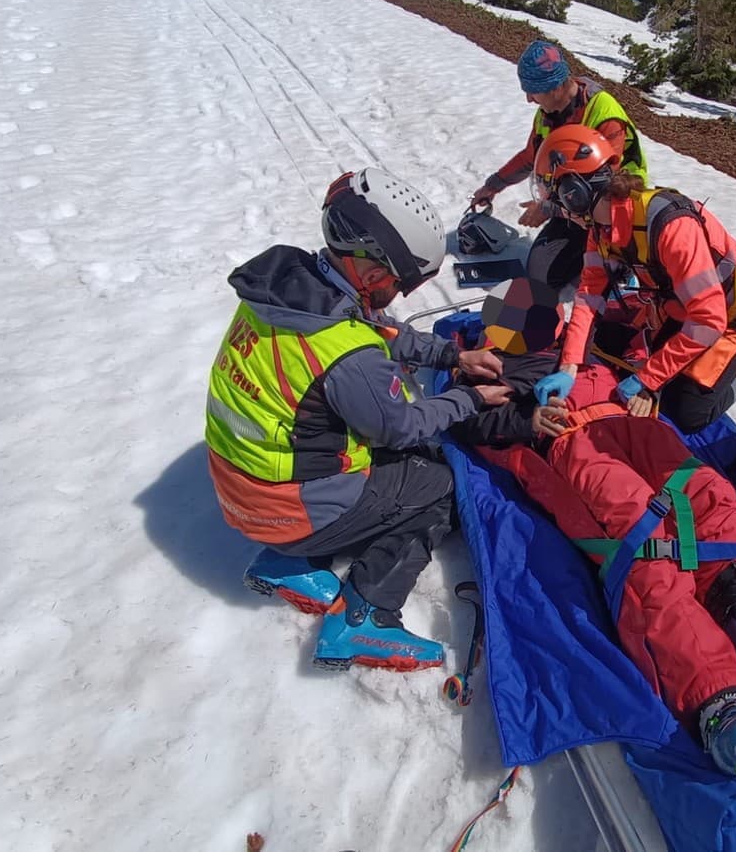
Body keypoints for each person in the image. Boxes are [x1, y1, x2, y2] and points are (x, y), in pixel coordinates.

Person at [447, 282, 736, 777]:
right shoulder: (495, 369)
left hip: (634, 425)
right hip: (571, 442)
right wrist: (526, 420)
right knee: (642, 537)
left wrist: (639, 378)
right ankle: (717, 698)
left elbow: (637, 319)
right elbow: (469, 424)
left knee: (711, 502)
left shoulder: (586, 345)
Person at [204, 168, 511, 671]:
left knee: (388, 456)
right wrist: (470, 399)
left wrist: (452, 359)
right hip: (287, 510)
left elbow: (377, 331)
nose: (402, 296)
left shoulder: (294, 291)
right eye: (401, 283)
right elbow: (402, 426)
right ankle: (364, 617)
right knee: (434, 483)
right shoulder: (348, 355)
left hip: (244, 489)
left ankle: (290, 563)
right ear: (372, 273)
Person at [530, 125, 736, 434]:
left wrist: (648, 379)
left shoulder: (671, 226)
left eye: (557, 194)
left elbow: (709, 320)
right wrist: (569, 366)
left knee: (688, 412)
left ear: (575, 192)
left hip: (733, 312)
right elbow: (589, 295)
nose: (556, 205)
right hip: (682, 306)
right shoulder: (601, 230)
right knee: (614, 344)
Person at [470, 39, 649, 290]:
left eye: (532, 91)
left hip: (614, 206)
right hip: (571, 202)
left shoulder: (604, 113)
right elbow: (532, 156)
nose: (529, 99)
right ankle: (590, 255)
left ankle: (620, 260)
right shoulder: (548, 113)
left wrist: (548, 208)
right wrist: (492, 186)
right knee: (541, 272)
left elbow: (606, 186)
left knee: (583, 266)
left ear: (554, 87)